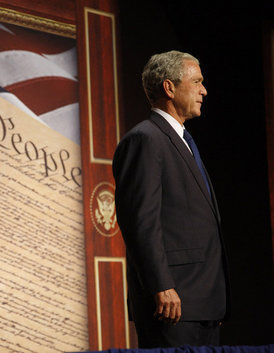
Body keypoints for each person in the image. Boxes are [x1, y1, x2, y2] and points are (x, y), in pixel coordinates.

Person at [112, 50, 230, 347]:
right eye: (197, 81)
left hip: (204, 302)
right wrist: (161, 285)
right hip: (172, 305)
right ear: (169, 87)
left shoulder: (182, 141)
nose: (204, 90)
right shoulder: (145, 139)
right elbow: (141, 222)